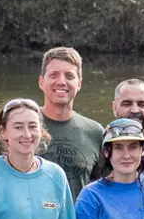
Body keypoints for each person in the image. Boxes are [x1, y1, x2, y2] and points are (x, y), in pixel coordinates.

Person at [35, 47, 106, 199]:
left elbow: (103, 189)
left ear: (79, 84)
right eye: (54, 75)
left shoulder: (95, 132)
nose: (61, 82)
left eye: (69, 76)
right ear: (41, 82)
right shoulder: (19, 126)